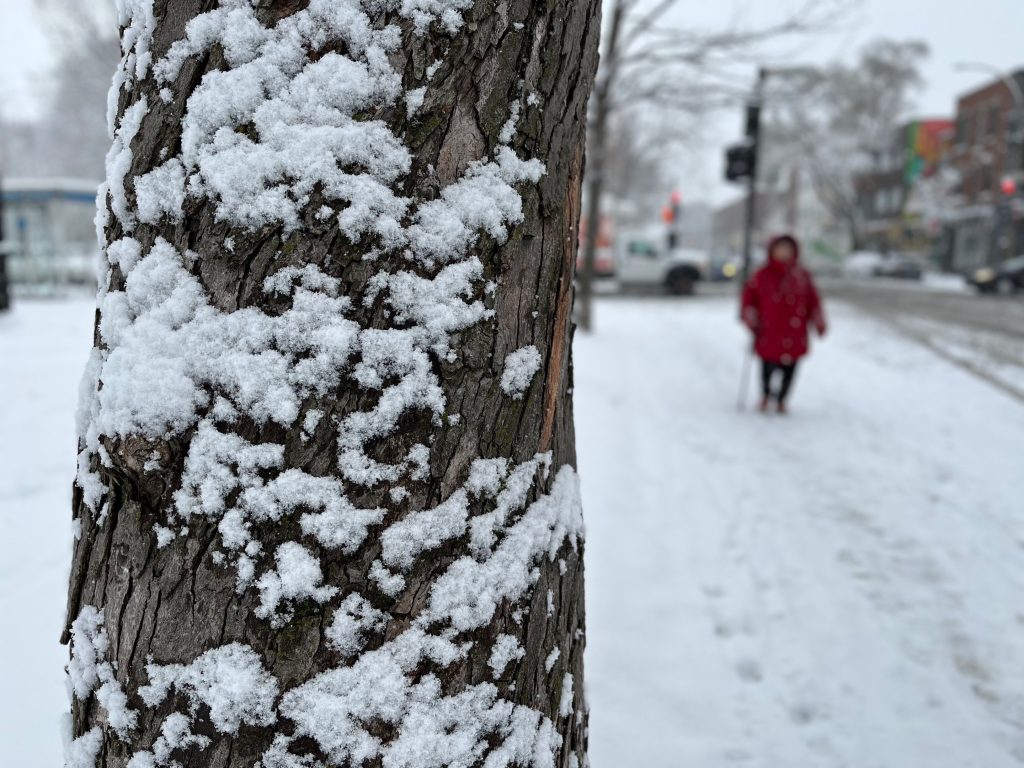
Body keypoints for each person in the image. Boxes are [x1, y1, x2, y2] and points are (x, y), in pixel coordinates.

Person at [740, 234, 826, 414]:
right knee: (767, 368)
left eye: (788, 249)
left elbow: (813, 302)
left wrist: (819, 322)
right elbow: (748, 301)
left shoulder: (802, 276)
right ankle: (765, 395)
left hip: (794, 334)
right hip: (769, 332)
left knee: (790, 370)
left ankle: (781, 400)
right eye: (780, 249)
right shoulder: (761, 275)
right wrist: (751, 319)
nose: (784, 252)